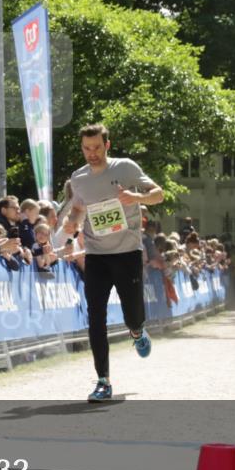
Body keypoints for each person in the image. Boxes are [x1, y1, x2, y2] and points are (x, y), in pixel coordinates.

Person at [67, 124, 164, 402]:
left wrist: (138, 198)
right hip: (96, 255)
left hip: (127, 252)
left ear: (107, 145)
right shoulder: (79, 178)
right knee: (95, 317)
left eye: (97, 147)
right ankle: (103, 380)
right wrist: (72, 222)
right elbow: (77, 207)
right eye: (87, 148)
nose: (92, 153)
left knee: (132, 314)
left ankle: (137, 331)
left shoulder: (126, 168)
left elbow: (159, 193)